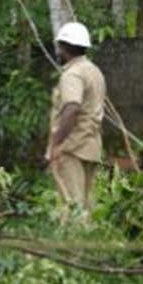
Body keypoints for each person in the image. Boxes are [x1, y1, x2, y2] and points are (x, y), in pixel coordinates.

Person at [46, 22, 106, 213]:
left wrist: (56, 144)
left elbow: (71, 109)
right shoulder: (94, 71)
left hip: (71, 148)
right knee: (87, 206)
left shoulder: (72, 75)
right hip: (91, 146)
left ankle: (75, 243)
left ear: (63, 47)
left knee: (72, 206)